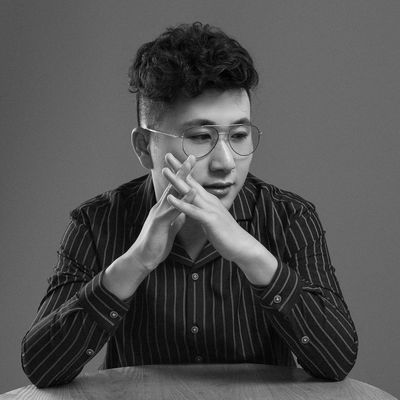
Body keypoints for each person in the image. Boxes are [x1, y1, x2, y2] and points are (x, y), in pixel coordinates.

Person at [21, 22, 358, 388]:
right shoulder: (97, 221)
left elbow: (337, 360)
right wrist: (135, 263)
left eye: (239, 135)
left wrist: (252, 255)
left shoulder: (289, 217)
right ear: (144, 147)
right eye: (200, 137)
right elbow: (41, 367)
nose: (226, 162)